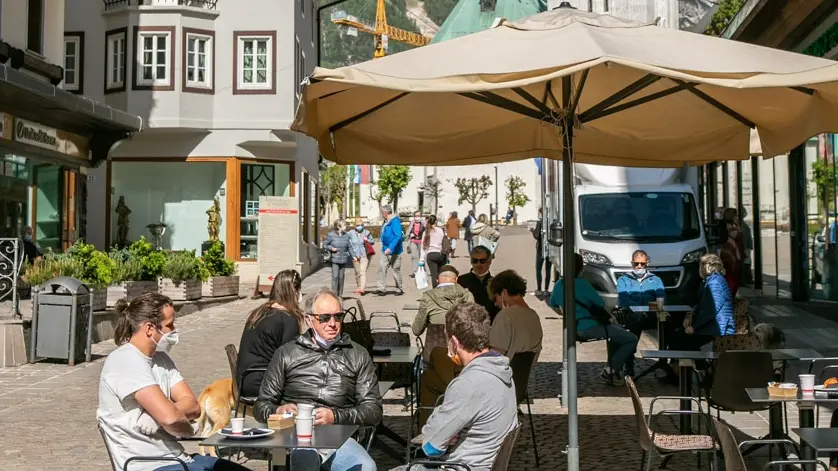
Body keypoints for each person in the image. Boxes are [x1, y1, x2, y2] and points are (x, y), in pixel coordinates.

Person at [98, 293, 252, 471]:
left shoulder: (161, 359)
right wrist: (175, 422)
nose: (174, 330)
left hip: (179, 458)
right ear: (149, 328)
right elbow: (170, 419)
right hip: (148, 464)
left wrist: (158, 417)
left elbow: (194, 406)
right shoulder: (126, 360)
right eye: (169, 325)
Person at [254, 288, 380, 471]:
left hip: (338, 437)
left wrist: (335, 416)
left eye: (338, 317)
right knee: (305, 458)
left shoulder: (357, 354)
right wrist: (279, 410)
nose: (333, 323)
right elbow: (261, 406)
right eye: (324, 318)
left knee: (366, 467)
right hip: (295, 437)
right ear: (309, 320)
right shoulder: (287, 353)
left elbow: (373, 411)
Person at [395, 302, 518, 471]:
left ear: (454, 341)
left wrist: (441, 417)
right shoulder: (503, 372)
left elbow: (431, 446)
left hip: (459, 466)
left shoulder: (468, 384)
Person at [550, 254, 639, 384]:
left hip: (572, 328)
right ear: (581, 269)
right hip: (590, 327)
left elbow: (553, 305)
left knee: (616, 332)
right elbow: (600, 304)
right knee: (631, 339)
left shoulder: (559, 285)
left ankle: (613, 370)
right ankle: (611, 369)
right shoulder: (583, 284)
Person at [413, 266, 474, 426]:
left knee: (426, 376)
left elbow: (416, 329)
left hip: (434, 360)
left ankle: (425, 423)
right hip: (462, 361)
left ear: (437, 280)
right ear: (456, 280)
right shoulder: (467, 296)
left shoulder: (428, 297)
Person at [236, 270, 303, 398]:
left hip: (245, 380)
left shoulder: (259, 312)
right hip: (263, 383)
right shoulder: (287, 319)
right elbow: (291, 359)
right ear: (294, 291)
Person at [675, 254, 735, 351]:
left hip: (717, 330)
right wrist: (690, 314)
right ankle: (686, 365)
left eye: (700, 265)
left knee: (680, 339)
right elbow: (701, 305)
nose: (699, 268)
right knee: (679, 336)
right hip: (711, 327)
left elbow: (710, 310)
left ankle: (696, 365)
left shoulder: (714, 284)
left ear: (706, 267)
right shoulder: (711, 281)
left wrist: (694, 327)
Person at [488, 270, 543, 361]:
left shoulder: (505, 316)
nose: (495, 304)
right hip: (526, 374)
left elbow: (496, 355)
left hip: (505, 372)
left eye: (495, 298)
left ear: (503, 293)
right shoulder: (534, 315)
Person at [617, 250, 666, 339]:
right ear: (632, 263)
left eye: (642, 264)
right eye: (636, 263)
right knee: (638, 316)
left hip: (652, 312)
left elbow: (661, 297)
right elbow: (624, 300)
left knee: (666, 318)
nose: (639, 266)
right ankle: (632, 346)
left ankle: (666, 348)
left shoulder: (656, 280)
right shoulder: (623, 280)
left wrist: (650, 308)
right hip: (632, 313)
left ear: (647, 263)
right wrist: (640, 309)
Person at [457, 245, 500, 322]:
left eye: (482, 261)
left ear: (489, 261)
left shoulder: (497, 282)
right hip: (468, 325)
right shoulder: (460, 281)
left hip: (491, 325)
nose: (478, 264)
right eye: (475, 261)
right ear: (471, 261)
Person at [376, 204, 404, 296]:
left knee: (395, 269)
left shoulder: (395, 222)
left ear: (386, 213)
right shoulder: (385, 221)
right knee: (381, 268)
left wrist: (390, 248)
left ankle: (399, 289)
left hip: (394, 250)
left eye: (382, 213)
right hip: (385, 249)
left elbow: (398, 236)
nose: (381, 214)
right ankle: (381, 288)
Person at [323, 220, 352, 297]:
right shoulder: (331, 235)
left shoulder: (346, 235)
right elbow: (325, 244)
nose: (345, 227)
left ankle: (340, 295)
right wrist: (331, 248)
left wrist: (354, 256)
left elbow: (349, 247)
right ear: (339, 226)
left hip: (343, 259)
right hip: (335, 259)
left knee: (341, 277)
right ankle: (334, 295)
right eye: (344, 225)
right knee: (335, 277)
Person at [720, 207, 744, 298]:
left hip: (729, 254)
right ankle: (730, 297)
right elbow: (739, 236)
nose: (737, 217)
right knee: (732, 278)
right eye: (735, 215)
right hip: (730, 255)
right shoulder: (729, 227)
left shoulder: (726, 225)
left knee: (731, 277)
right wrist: (738, 225)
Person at [348, 222, 375, 295]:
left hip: (364, 255)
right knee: (357, 272)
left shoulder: (367, 232)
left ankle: (362, 288)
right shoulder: (351, 233)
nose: (359, 226)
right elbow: (345, 239)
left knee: (362, 272)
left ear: (363, 226)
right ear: (355, 226)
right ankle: (359, 287)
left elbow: (373, 241)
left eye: (361, 225)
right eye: (357, 225)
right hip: (355, 255)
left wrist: (367, 240)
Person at [423, 215, 447, 288]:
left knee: (434, 275)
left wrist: (421, 259)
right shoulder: (440, 230)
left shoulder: (426, 231)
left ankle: (435, 291)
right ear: (436, 221)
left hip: (430, 254)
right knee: (441, 274)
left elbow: (423, 246)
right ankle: (442, 289)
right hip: (440, 253)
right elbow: (445, 242)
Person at [531, 208, 551, 296]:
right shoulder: (551, 222)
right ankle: (546, 289)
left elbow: (536, 235)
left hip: (540, 248)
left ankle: (539, 289)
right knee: (548, 269)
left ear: (540, 213)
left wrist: (532, 230)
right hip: (550, 248)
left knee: (538, 268)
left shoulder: (540, 222)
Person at [406, 211, 425, 276]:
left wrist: (423, 221)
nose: (417, 217)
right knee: (414, 256)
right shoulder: (412, 222)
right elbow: (408, 231)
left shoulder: (423, 222)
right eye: (416, 216)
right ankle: (415, 271)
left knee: (421, 256)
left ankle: (422, 270)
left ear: (421, 216)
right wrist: (409, 234)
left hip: (421, 241)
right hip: (413, 241)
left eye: (418, 216)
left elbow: (427, 230)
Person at [739, 206, 754, 286]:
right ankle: (746, 279)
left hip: (746, 247)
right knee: (746, 264)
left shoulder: (742, 224)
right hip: (744, 247)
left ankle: (748, 279)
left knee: (747, 263)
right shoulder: (741, 225)